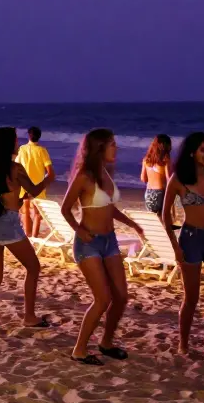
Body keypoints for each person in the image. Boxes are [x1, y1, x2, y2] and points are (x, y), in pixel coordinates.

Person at [60, 129, 145, 365]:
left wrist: (134, 225)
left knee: (121, 297)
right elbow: (65, 208)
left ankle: (106, 342)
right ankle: (79, 349)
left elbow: (109, 208)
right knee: (102, 298)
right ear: (99, 148)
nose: (116, 148)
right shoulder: (84, 176)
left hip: (110, 241)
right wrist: (79, 230)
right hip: (89, 243)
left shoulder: (106, 173)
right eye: (112, 144)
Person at [0, 127, 53, 331]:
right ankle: (29, 316)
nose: (18, 143)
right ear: (9, 144)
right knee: (33, 267)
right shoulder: (16, 168)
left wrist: (3, 197)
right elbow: (35, 190)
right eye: (16, 140)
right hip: (8, 222)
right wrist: (48, 179)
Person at [161, 132, 204, 355]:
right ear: (192, 153)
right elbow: (165, 215)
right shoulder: (178, 179)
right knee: (191, 298)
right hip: (190, 240)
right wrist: (175, 247)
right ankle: (183, 344)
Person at [14, 126, 53, 238]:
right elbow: (49, 171)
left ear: (28, 135)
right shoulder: (42, 151)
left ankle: (27, 234)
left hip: (24, 184)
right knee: (37, 213)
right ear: (39, 137)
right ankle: (34, 237)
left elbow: (17, 165)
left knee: (26, 211)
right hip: (38, 186)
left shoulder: (22, 149)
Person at [140, 134, 172, 215]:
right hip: (160, 194)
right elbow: (169, 180)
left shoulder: (146, 160)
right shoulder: (165, 161)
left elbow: (143, 179)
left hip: (148, 195)